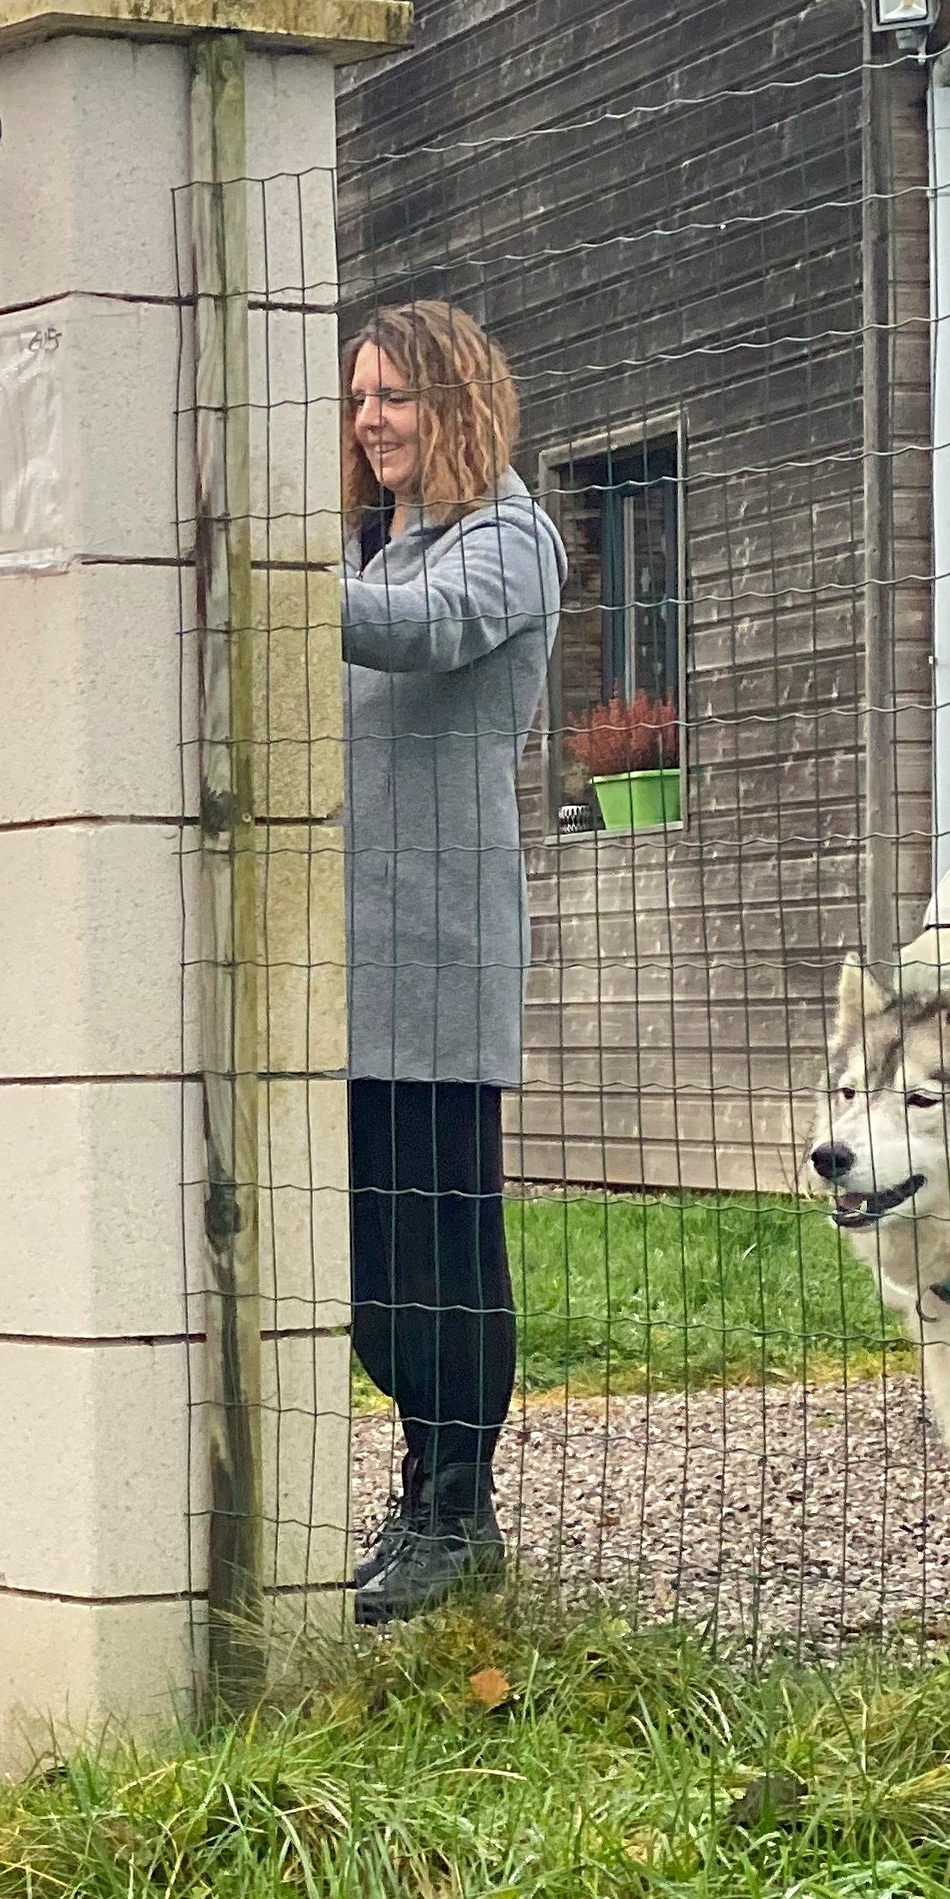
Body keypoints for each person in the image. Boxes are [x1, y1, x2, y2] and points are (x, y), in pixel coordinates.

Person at [339, 301, 566, 1627]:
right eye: (360, 395)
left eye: (397, 395)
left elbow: (416, 630)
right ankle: (420, 1487)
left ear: (457, 401)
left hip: (435, 948)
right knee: (374, 1256)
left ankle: (457, 1510)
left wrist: (256, 571)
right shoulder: (381, 546)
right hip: (350, 959)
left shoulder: (506, 543)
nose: (370, 418)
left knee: (439, 1247)